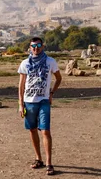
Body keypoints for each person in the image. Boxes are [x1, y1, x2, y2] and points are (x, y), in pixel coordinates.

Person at [18, 37, 62, 176]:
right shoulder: (25, 63)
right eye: (33, 46)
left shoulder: (50, 62)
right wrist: (20, 104)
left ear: (42, 47)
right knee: (32, 130)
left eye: (38, 45)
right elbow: (21, 85)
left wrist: (51, 93)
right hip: (29, 100)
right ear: (29, 48)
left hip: (43, 100)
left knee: (45, 131)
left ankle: (49, 163)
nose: (36, 48)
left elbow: (58, 78)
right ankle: (39, 158)